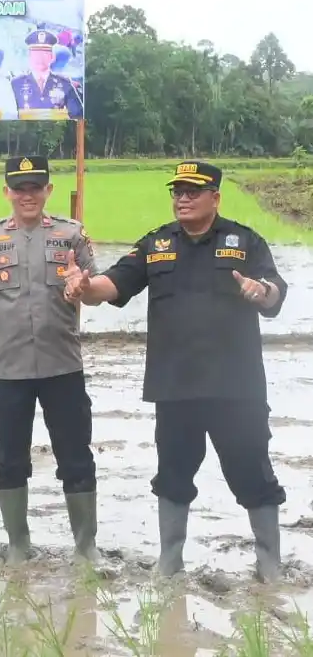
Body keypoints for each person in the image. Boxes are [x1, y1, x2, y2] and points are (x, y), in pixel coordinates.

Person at [63, 160, 288, 583]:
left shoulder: (245, 242)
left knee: (252, 473)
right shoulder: (156, 244)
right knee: (172, 477)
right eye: (177, 191)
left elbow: (275, 291)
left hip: (236, 390)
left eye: (193, 191)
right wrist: (83, 287)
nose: (182, 198)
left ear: (215, 197)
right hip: (175, 389)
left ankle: (270, 568)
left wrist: (262, 291)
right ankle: (170, 565)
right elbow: (113, 284)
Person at [0, 155, 101, 565]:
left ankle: (85, 546)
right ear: (7, 192)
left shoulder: (71, 235)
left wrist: (80, 285)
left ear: (48, 191)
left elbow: (93, 286)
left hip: (62, 366)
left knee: (76, 455)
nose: (27, 195)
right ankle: (18, 545)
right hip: (8, 370)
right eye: (19, 188)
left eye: (35, 187)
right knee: (9, 458)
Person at [11, 30, 83, 120]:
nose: (40, 58)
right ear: (29, 56)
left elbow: (79, 116)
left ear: (52, 57)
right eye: (36, 54)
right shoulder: (15, 84)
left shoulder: (65, 84)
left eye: (44, 53)